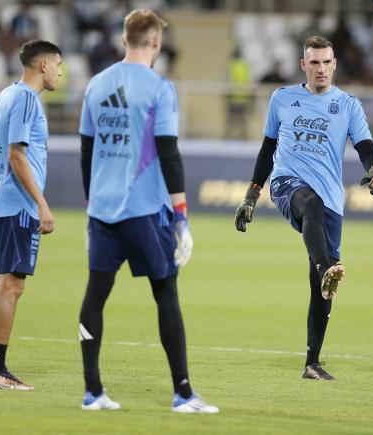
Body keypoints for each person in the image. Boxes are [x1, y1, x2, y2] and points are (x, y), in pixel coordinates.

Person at [77, 9, 218, 413]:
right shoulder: (159, 88)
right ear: (155, 42)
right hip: (143, 209)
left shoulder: (96, 85)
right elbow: (168, 152)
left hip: (102, 211)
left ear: (125, 39)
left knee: (95, 295)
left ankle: (93, 392)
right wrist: (182, 217)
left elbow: (87, 152)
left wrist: (90, 206)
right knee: (166, 294)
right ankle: (184, 393)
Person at [234, 36, 373, 381]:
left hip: (331, 198)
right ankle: (325, 268)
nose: (320, 69)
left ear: (335, 64)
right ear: (303, 65)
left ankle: (312, 363)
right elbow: (267, 149)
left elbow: (365, 146)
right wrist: (252, 194)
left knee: (321, 287)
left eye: (326, 62)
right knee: (312, 209)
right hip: (287, 184)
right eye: (314, 63)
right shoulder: (282, 98)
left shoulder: (348, 105)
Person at [0, 40, 61, 390]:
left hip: (3, 200)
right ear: (42, 65)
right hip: (18, 204)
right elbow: (17, 154)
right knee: (12, 285)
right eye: (58, 64)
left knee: (4, 283)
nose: (60, 71)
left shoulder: (6, 95)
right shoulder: (27, 99)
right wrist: (41, 203)